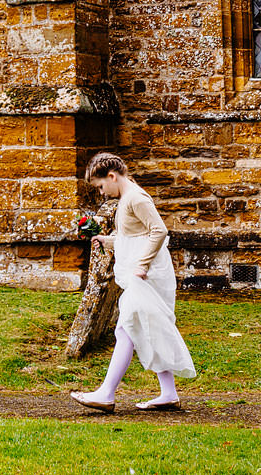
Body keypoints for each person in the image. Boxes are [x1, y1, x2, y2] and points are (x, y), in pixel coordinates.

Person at [69, 152, 197, 412]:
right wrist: (108, 241)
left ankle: (106, 393)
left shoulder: (136, 198)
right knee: (146, 328)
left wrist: (141, 265)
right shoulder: (127, 199)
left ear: (113, 176)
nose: (102, 192)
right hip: (142, 275)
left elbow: (159, 231)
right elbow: (134, 235)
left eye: (101, 186)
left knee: (127, 327)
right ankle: (168, 394)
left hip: (148, 276)